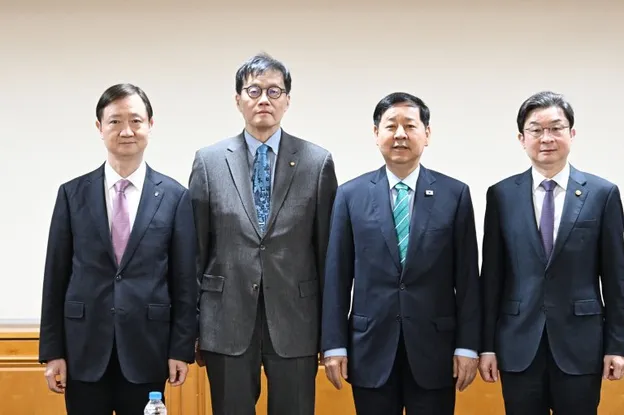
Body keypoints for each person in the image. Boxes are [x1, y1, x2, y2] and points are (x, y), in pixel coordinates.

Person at [189, 53, 338, 415]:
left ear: (287, 100)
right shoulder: (209, 161)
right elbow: (195, 251)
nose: (263, 100)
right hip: (225, 319)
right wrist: (191, 325)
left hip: (297, 319)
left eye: (274, 91)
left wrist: (331, 332)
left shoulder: (317, 162)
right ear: (238, 99)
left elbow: (328, 255)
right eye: (253, 90)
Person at [38, 83, 198, 415]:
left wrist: (180, 349)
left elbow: (184, 281)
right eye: (115, 121)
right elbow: (55, 277)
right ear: (99, 127)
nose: (126, 131)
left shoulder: (174, 196)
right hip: (83, 351)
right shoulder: (72, 194)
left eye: (135, 121)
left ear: (150, 125)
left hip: (148, 349)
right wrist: (52, 351)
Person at [320, 92, 481, 415]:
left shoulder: (455, 195)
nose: (400, 134)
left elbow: (467, 280)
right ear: (376, 133)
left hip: (436, 350)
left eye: (410, 125)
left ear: (427, 134)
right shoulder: (350, 195)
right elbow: (337, 277)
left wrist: (468, 346)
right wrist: (334, 344)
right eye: (391, 126)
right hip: (370, 348)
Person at [479, 91, 624, 415]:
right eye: (536, 130)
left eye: (556, 128)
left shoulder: (602, 194)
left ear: (571, 134)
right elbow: (491, 277)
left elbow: (615, 276)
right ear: (522, 139)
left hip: (581, 345)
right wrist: (487, 346)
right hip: (518, 344)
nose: (546, 138)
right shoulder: (501, 195)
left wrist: (617, 346)